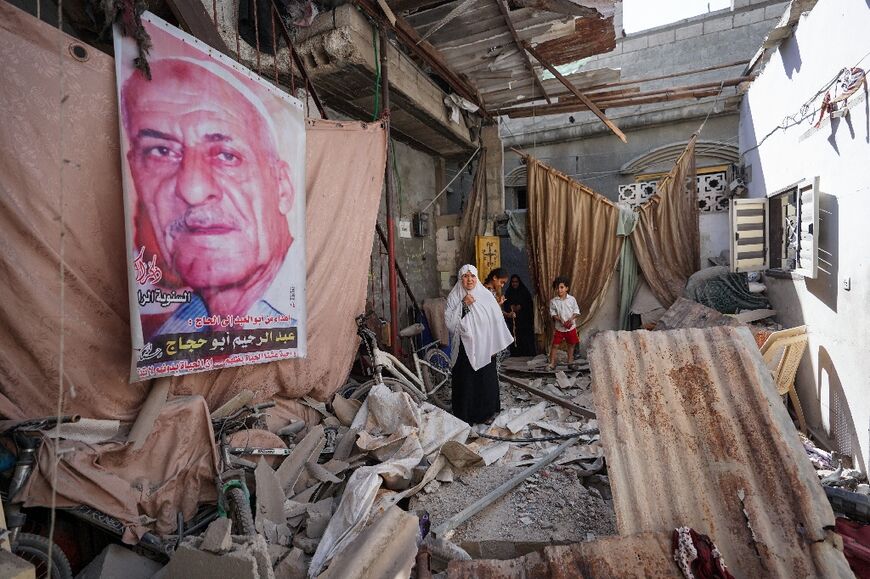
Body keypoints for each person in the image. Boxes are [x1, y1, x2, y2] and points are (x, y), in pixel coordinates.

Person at [120, 58, 302, 340]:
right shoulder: (169, 333)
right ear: (135, 173)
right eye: (160, 152)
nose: (192, 190)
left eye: (227, 156)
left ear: (282, 187)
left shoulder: (311, 312)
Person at [445, 265, 514, 424]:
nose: (469, 280)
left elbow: (496, 320)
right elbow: (450, 323)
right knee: (466, 379)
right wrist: (463, 305)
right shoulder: (454, 296)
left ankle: (486, 414)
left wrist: (493, 343)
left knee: (485, 379)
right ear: (460, 278)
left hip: (484, 346)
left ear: (476, 278)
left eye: (472, 276)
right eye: (465, 276)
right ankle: (465, 415)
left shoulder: (486, 296)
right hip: (463, 347)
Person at [548, 276, 581, 369]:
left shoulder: (572, 299)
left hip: (571, 327)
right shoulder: (553, 301)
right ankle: (552, 364)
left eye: (562, 287)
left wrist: (571, 319)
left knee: (571, 345)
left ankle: (570, 362)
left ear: (567, 288)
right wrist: (560, 319)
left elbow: (576, 311)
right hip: (559, 327)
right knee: (555, 345)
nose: (559, 290)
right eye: (557, 288)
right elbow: (553, 313)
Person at [503, 274, 536, 357]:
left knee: (525, 338)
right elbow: (506, 304)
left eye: (516, 282)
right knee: (515, 337)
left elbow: (529, 304)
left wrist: (521, 306)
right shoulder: (508, 292)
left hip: (524, 321)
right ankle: (515, 354)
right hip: (514, 321)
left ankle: (527, 354)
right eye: (513, 282)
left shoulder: (524, 292)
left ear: (519, 282)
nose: (514, 284)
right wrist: (511, 307)